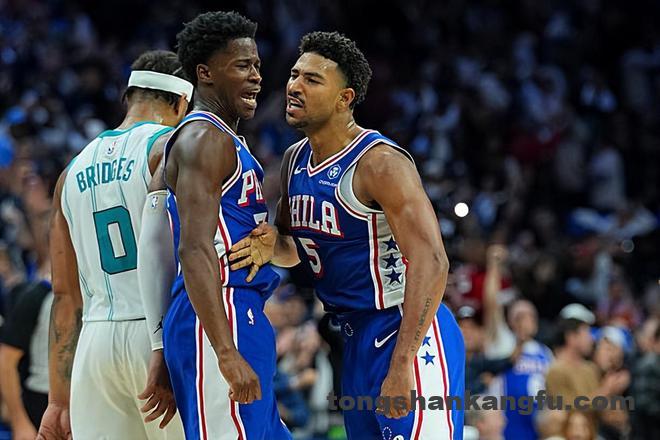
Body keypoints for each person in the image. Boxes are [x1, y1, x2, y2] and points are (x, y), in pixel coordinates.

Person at [230, 31, 465, 439]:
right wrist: (273, 247)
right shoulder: (294, 160)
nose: (295, 86)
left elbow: (433, 261)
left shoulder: (379, 163)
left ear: (345, 98)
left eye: (312, 80)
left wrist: (403, 363)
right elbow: (296, 248)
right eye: (294, 75)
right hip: (352, 339)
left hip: (405, 330)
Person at [148, 11, 291, 440]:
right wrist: (225, 352)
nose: (257, 77)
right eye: (243, 66)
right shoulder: (204, 138)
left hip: (238, 309)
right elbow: (193, 248)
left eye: (258, 66)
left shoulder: (225, 139)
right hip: (218, 313)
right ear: (205, 73)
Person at [38, 50, 190, 439]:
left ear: (127, 98)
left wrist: (58, 400)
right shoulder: (170, 147)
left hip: (95, 343)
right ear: (181, 102)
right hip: (158, 335)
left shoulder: (70, 172)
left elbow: (64, 295)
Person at [0, 206, 52, 440]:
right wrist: (19, 421)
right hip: (38, 403)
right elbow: (6, 361)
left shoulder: (91, 294)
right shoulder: (35, 297)